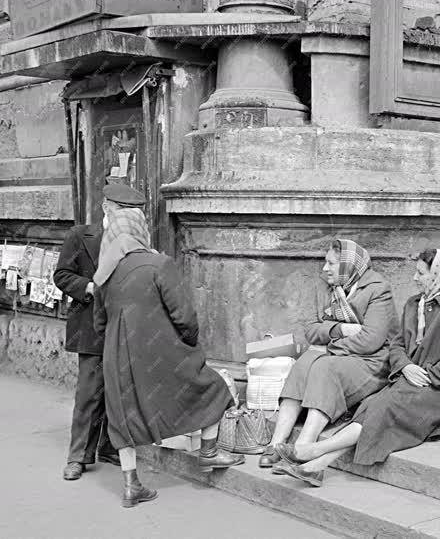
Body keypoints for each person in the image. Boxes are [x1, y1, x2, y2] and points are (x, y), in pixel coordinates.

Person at [273, 249, 440, 487]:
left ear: (438, 276)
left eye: (421, 273)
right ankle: (315, 466)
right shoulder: (414, 305)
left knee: (384, 407)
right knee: (371, 406)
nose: (414, 278)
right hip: (410, 378)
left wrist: (425, 374)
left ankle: (312, 452)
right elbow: (397, 344)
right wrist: (405, 366)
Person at [93, 184, 244, 508]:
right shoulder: (159, 265)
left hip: (117, 355)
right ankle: (208, 451)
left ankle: (131, 484)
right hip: (160, 351)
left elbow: (99, 322)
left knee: (124, 414)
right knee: (212, 387)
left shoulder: (104, 272)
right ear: (139, 228)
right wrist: (188, 345)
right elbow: (185, 316)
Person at [258, 239, 399, 469]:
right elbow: (311, 331)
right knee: (305, 362)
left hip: (372, 363)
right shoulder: (327, 287)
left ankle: (303, 447)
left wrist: (329, 347)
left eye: (331, 264)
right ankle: (277, 442)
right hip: (343, 355)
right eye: (326, 262)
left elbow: (371, 341)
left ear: (347, 265)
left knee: (324, 365)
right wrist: (340, 329)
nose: (325, 269)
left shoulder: (378, 289)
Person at [54, 215, 121, 481]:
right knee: (89, 393)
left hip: (123, 327)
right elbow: (61, 275)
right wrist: (89, 287)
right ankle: (78, 456)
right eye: (120, 209)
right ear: (107, 208)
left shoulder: (133, 240)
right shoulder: (79, 236)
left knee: (118, 391)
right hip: (91, 326)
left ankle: (108, 446)